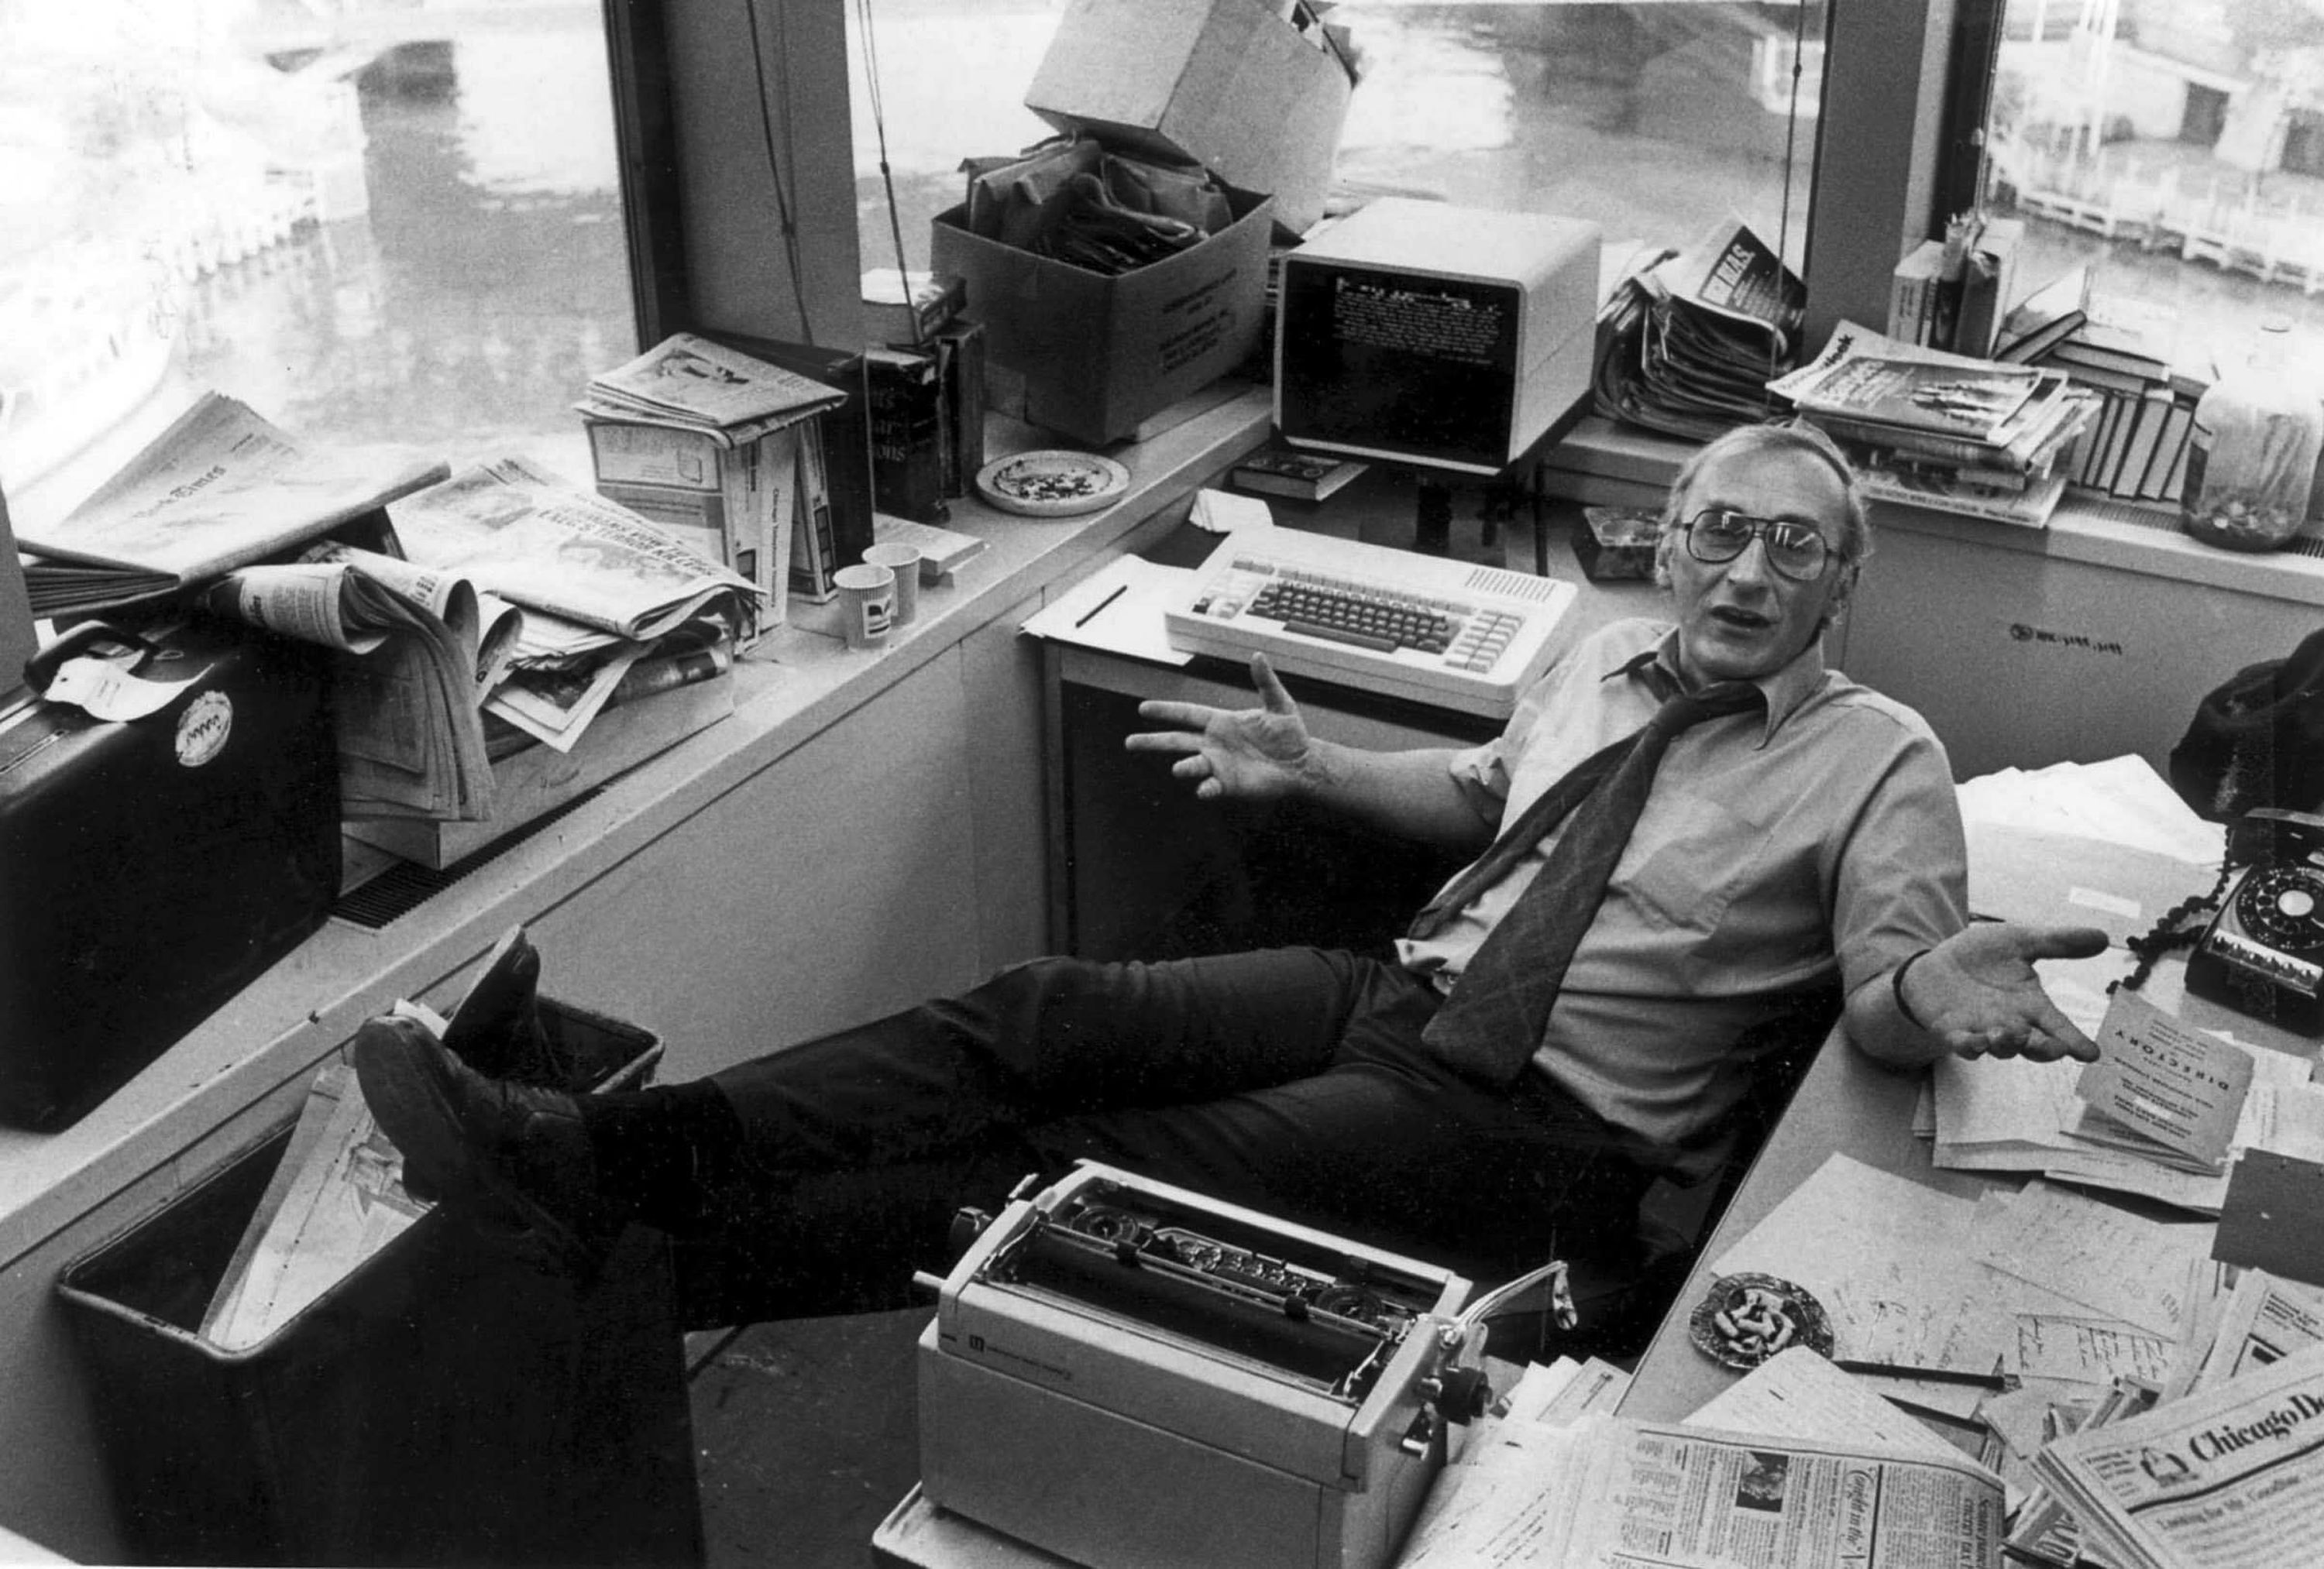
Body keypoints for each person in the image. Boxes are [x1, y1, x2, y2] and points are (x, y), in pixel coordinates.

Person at [355, 420, 2106, 1326]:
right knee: (1036, 1011)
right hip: (1402, 991)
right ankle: (599, 1158)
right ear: (1674, 541)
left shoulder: (1886, 758)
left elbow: (1888, 999)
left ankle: (656, 1262)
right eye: (1716, 528)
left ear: (1840, 584)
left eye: (1790, 544)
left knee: (1082, 1166)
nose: (1740, 568)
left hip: (1551, 1118)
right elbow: (1495, 794)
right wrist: (1317, 766)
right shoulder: (1599, 651)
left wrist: (1922, 994)